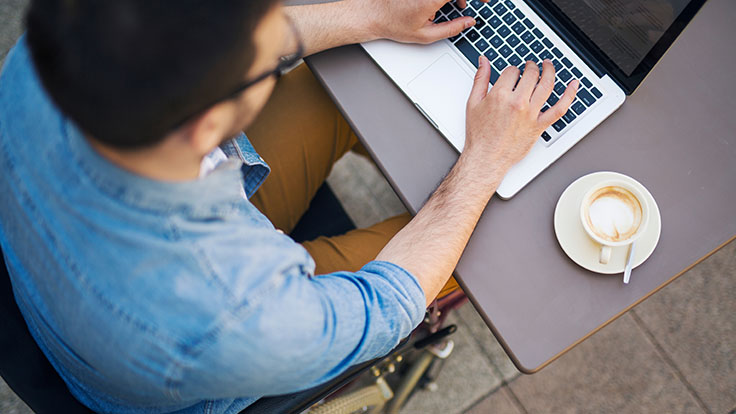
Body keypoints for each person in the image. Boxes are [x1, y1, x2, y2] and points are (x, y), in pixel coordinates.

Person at [0, 0, 577, 412]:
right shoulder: (235, 312)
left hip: (97, 275)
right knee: (497, 226)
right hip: (207, 350)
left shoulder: (56, 44)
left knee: (337, 91)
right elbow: (384, 306)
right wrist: (483, 163)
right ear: (208, 121)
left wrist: (374, 15)